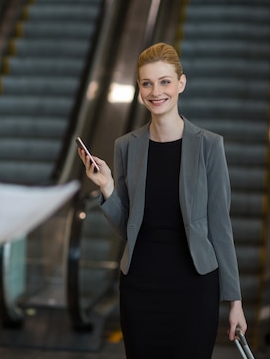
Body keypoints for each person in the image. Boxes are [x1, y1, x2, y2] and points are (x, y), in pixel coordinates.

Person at [77, 42, 247, 358]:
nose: (156, 91)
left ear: (181, 84)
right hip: (140, 288)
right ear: (139, 88)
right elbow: (128, 228)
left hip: (195, 289)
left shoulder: (209, 145)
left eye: (165, 81)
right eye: (147, 83)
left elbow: (220, 227)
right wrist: (107, 186)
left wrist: (235, 302)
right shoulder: (127, 146)